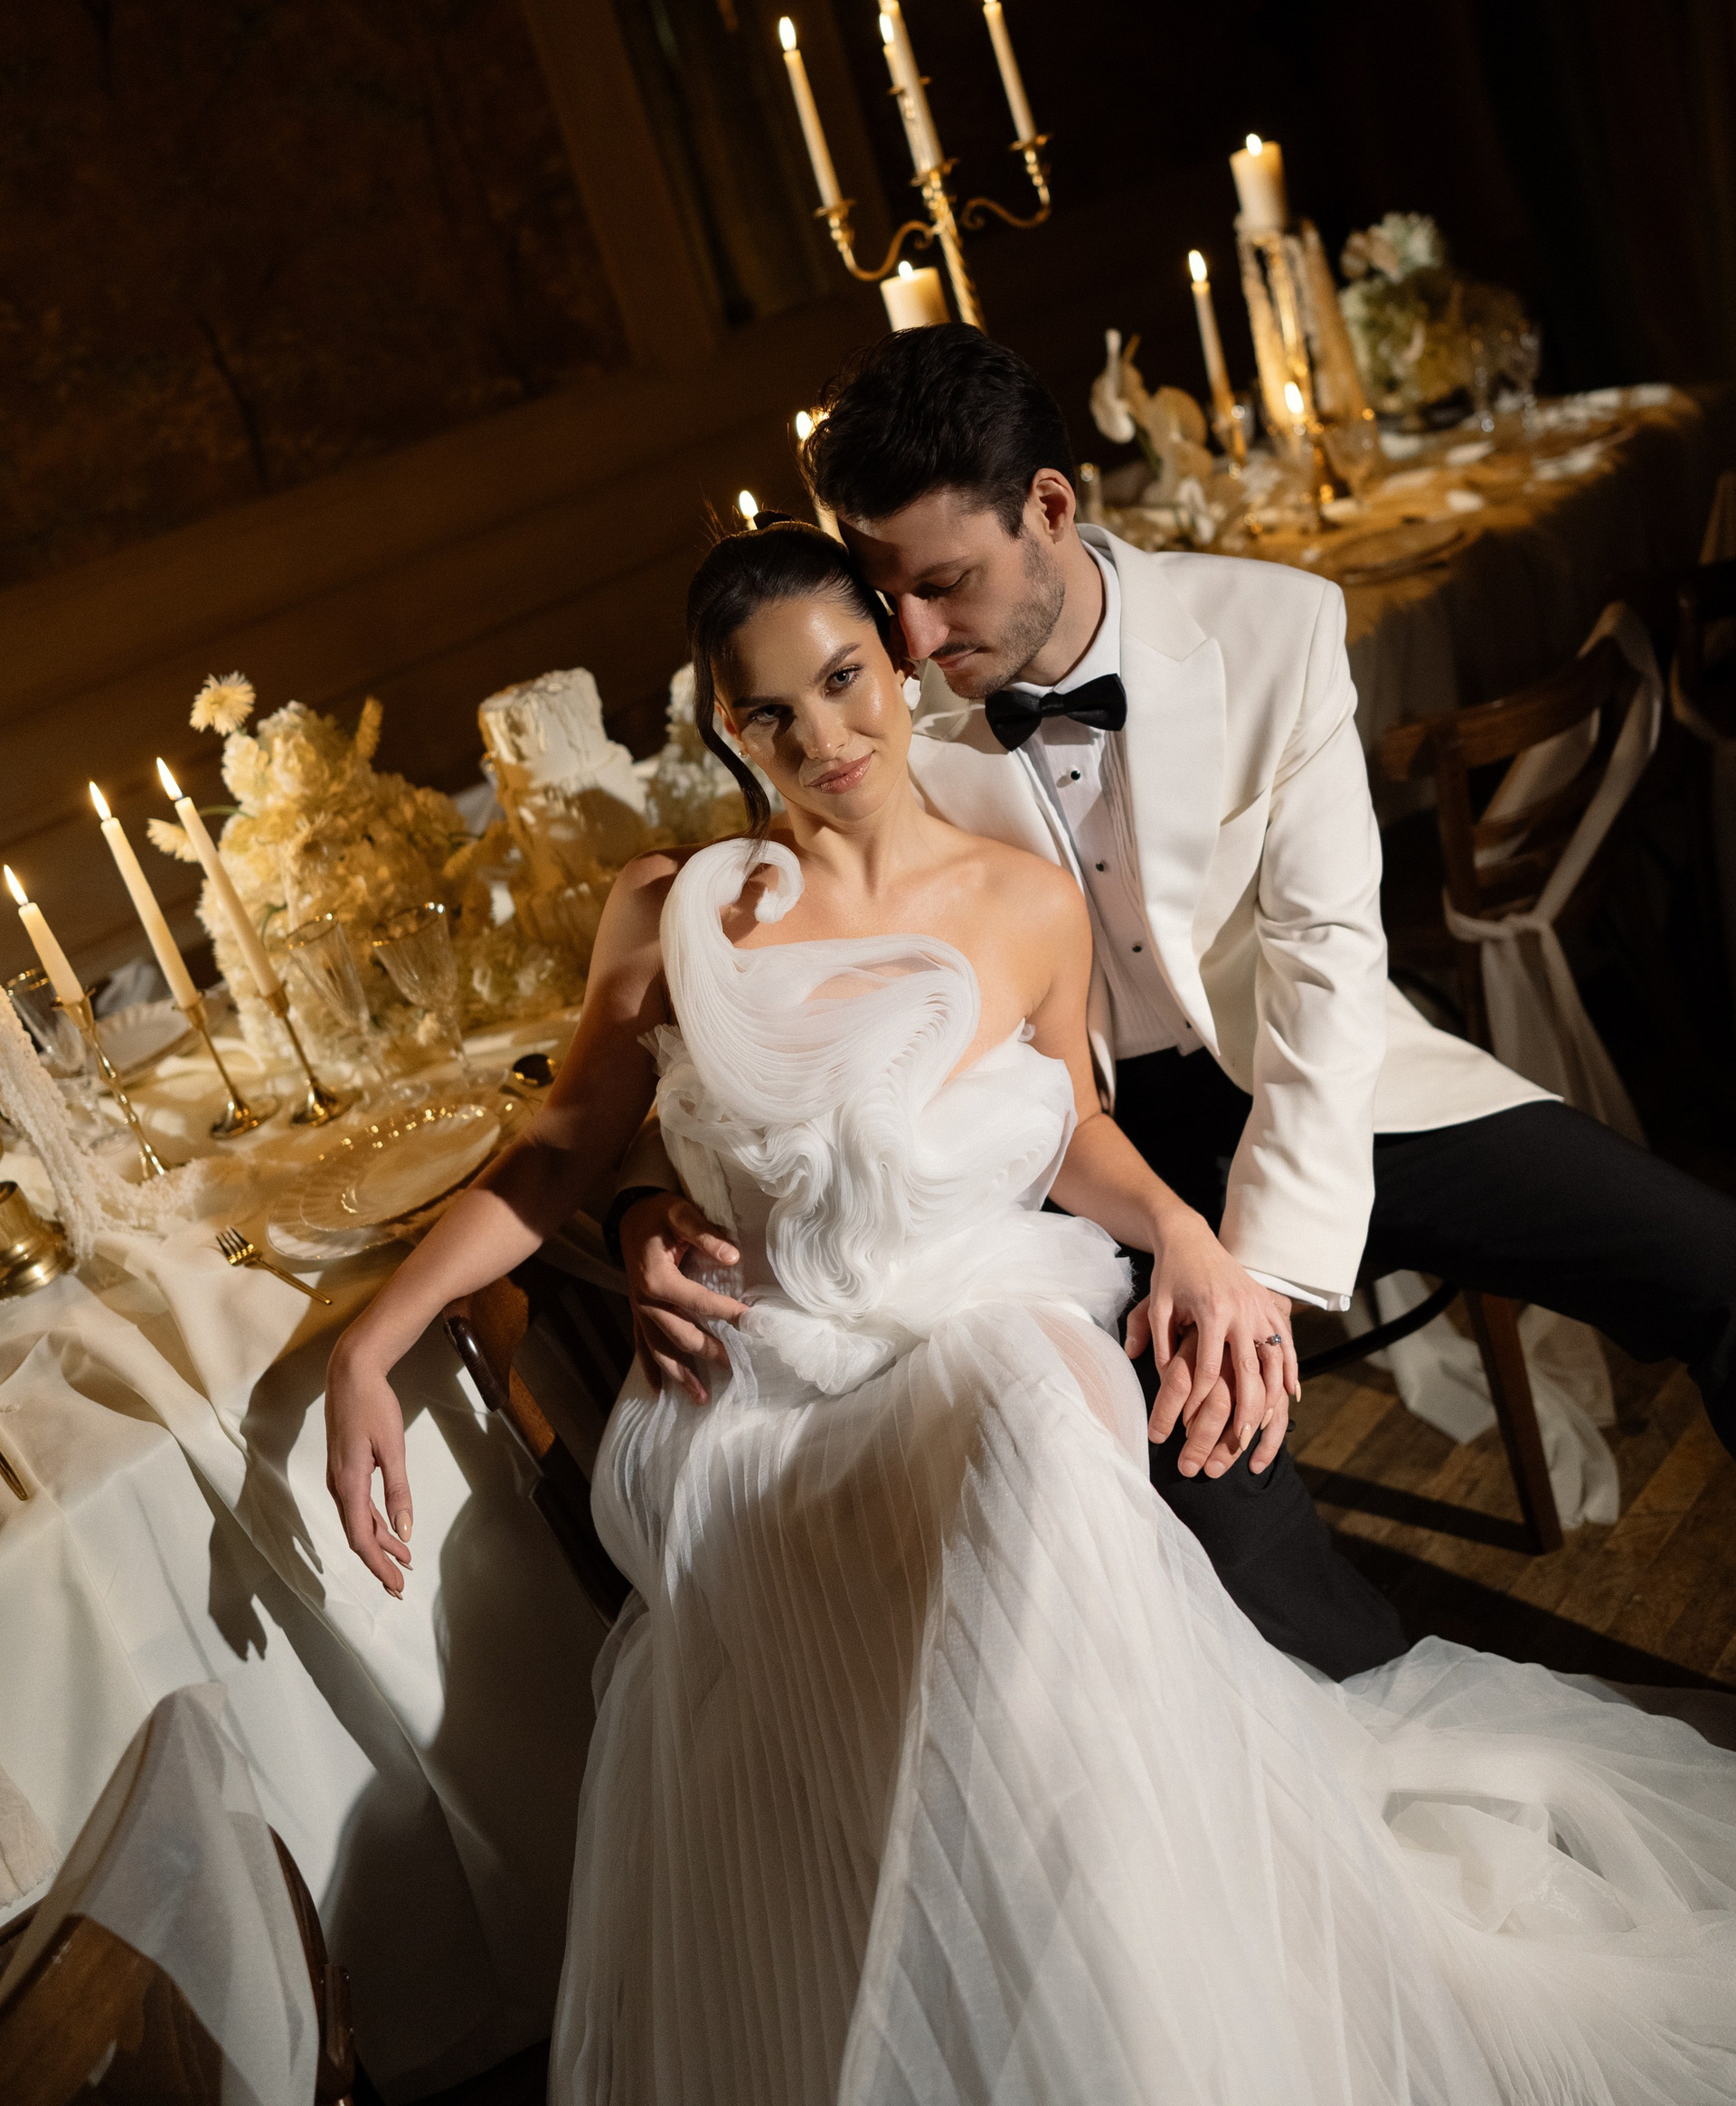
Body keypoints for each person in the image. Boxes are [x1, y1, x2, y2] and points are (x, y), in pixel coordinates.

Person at [325, 519, 1736, 2104]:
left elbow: (1072, 1128)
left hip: (986, 1316)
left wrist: (1187, 1233)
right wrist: (376, 1340)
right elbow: (560, 1147)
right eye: (770, 711)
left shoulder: (1020, 899)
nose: (824, 736)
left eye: (844, 679)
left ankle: (1123, 2025)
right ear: (724, 723)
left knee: (1032, 1429)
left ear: (894, 656)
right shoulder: (675, 913)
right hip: (765, 1393)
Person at [620, 326, 1736, 1682]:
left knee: (1711, 1265)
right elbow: (744, 993)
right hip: (1076, 1162)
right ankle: (1382, 1764)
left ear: (1049, 508)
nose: (910, 640)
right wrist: (647, 1201)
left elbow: (1328, 966)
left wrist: (1250, 1277)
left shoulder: (1276, 629)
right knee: (1235, 1539)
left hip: (1315, 1084)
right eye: (887, 592)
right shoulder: (877, 711)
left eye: (947, 585)